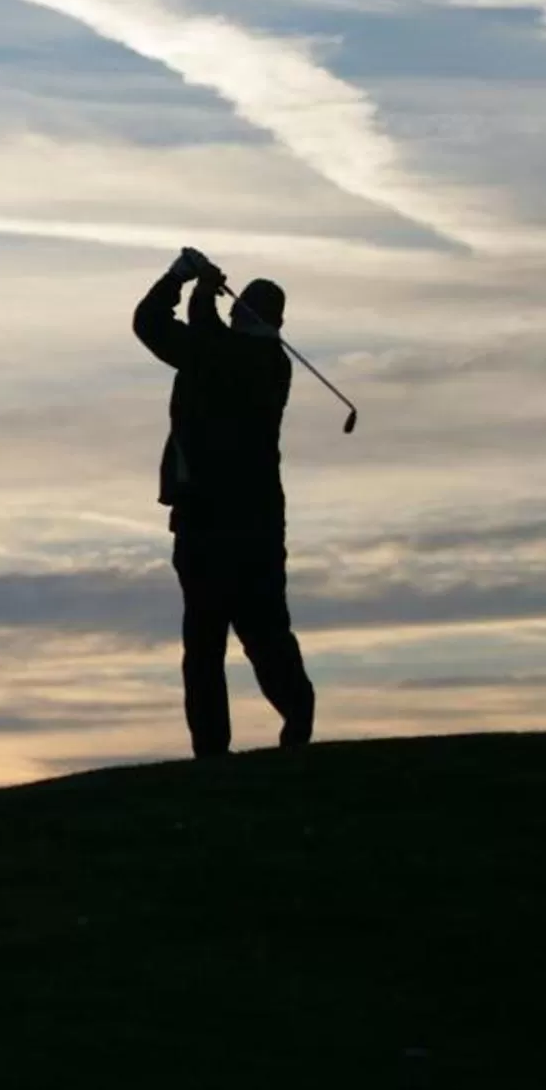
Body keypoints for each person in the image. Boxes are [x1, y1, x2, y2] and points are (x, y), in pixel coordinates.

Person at [132, 247, 315, 758]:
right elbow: (149, 323)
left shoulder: (257, 363)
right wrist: (182, 282)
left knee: (253, 636)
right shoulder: (223, 354)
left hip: (229, 524)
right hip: (222, 521)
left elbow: (197, 334)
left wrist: (197, 284)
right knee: (220, 640)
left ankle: (292, 721)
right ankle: (219, 748)